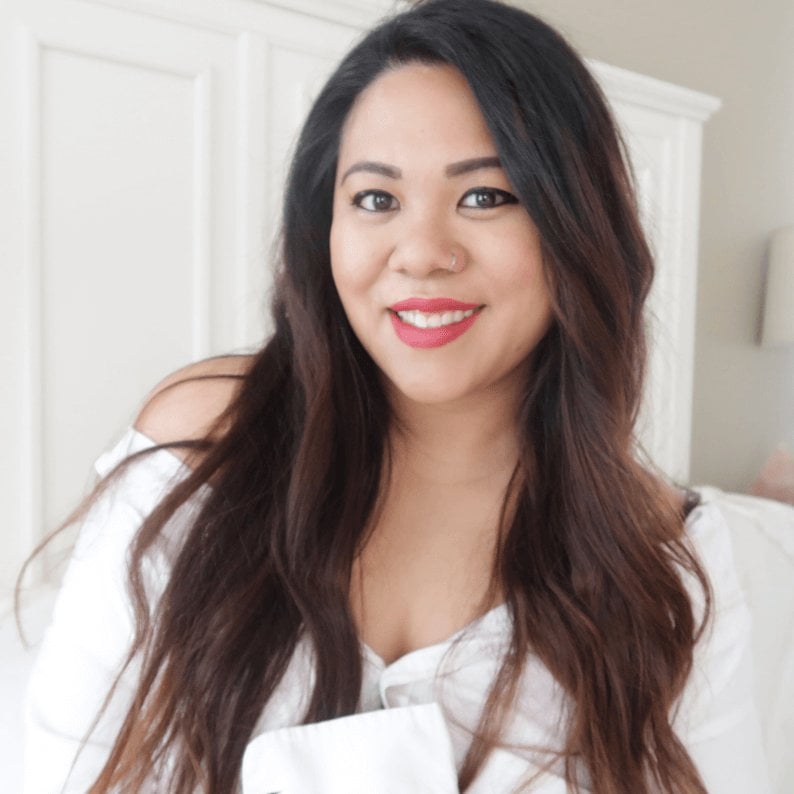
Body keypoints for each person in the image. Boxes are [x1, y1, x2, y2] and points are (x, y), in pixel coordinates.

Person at [22, 0, 769, 791]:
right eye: (376, 199)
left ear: (578, 228)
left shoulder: (670, 560)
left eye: (486, 196)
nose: (420, 254)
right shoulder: (205, 443)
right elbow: (67, 768)